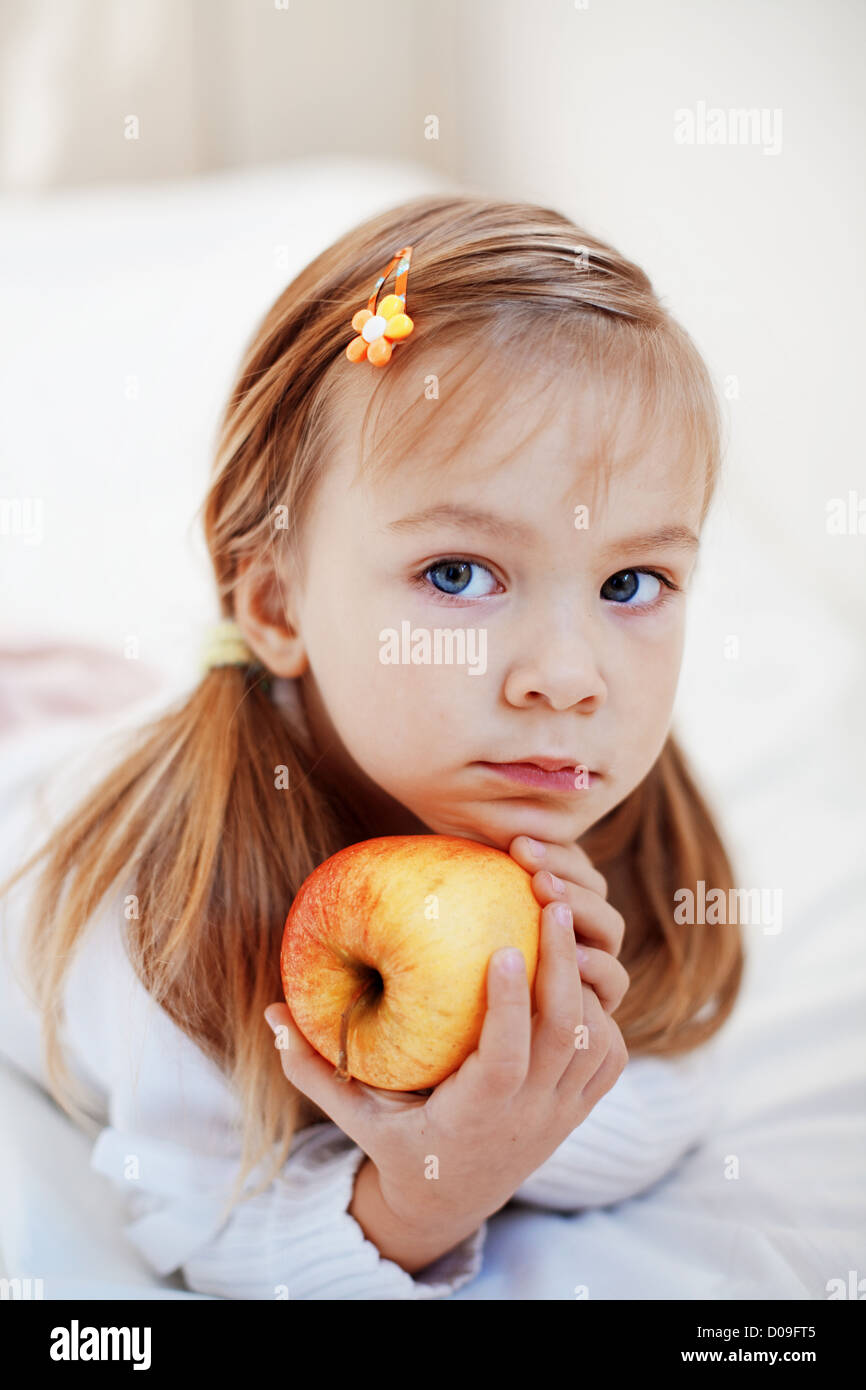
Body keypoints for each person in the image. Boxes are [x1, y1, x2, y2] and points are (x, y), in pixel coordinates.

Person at [0, 194, 743, 1299]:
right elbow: (208, 1222)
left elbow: (678, 1076)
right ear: (278, 601)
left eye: (629, 583)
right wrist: (430, 1195)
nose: (568, 672)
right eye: (457, 574)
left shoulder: (574, 780)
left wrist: (535, 1092)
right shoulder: (153, 901)